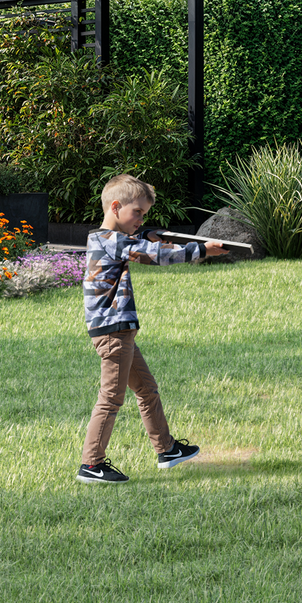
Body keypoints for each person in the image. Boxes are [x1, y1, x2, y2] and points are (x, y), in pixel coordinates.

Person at [76, 174, 227, 484]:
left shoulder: (105, 238)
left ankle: (167, 449)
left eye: (144, 214)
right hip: (113, 333)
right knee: (111, 398)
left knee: (146, 389)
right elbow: (154, 255)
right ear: (115, 207)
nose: (141, 219)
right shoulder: (112, 241)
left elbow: (139, 242)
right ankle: (91, 464)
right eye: (137, 212)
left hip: (120, 332)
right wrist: (200, 251)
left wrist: (146, 233)